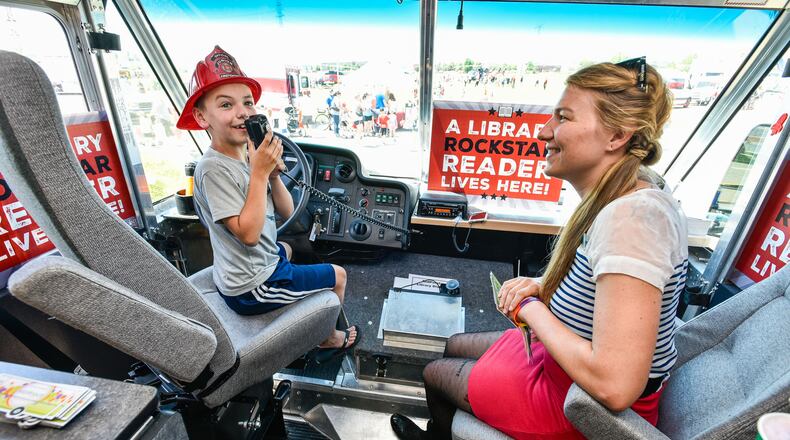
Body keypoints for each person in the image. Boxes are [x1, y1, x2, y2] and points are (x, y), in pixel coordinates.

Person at [390, 57, 687, 439]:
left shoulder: (634, 220)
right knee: (452, 343)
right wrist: (543, 287)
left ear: (617, 136)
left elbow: (615, 386)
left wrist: (531, 308)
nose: (545, 132)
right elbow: (604, 293)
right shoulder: (631, 190)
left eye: (563, 118)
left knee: (435, 374)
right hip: (562, 363)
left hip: (578, 404)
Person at [176, 46, 359, 361]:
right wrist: (259, 174)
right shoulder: (213, 169)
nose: (242, 112)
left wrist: (273, 177)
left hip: (247, 267)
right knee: (338, 275)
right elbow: (248, 234)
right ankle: (328, 337)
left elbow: (288, 212)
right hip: (250, 287)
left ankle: (296, 300)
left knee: (286, 248)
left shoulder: (248, 157)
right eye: (226, 104)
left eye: (247, 103)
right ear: (202, 116)